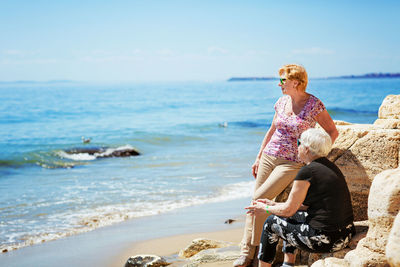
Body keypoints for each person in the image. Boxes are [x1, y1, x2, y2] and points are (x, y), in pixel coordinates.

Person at [233, 64, 338, 267]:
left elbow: (332, 132)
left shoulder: (313, 104)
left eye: (282, 80)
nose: (279, 84)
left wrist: (316, 158)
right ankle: (247, 252)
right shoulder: (281, 101)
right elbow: (271, 130)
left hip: (291, 162)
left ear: (296, 82)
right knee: (255, 203)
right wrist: (258, 156)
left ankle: (255, 255)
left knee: (258, 199)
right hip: (269, 156)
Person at [245, 128, 355, 267]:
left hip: (325, 239)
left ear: (307, 149)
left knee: (270, 223)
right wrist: (272, 205)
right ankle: (288, 264)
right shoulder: (330, 167)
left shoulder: (307, 172)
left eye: (299, 143)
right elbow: (298, 206)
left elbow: (288, 210)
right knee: (290, 217)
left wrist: (265, 209)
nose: (297, 147)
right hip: (345, 234)